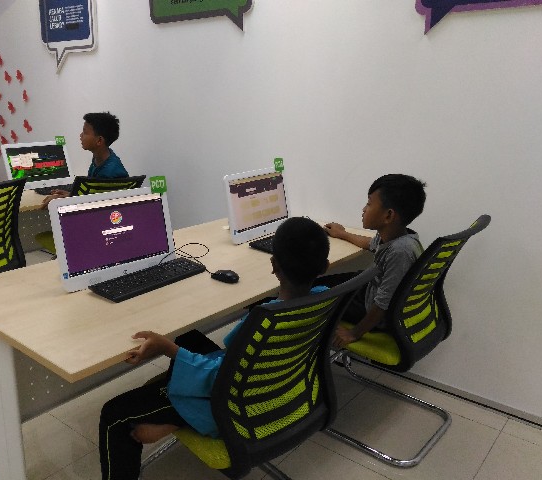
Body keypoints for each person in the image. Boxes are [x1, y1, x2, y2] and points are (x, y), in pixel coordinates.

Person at [98, 217, 331, 480]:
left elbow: (218, 379)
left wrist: (167, 349)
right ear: (324, 267)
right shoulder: (323, 298)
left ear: (273, 264)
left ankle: (181, 418)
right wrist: (169, 347)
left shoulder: (262, 322)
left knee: (113, 414)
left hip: (235, 408)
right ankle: (174, 417)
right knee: (188, 338)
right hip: (282, 388)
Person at [323, 173, 426, 348]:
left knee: (317, 299)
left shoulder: (400, 252)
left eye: (369, 203)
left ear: (388, 216)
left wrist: (353, 333)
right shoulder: (395, 234)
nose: (364, 209)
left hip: (371, 310)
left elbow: (383, 304)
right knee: (320, 284)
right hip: (370, 290)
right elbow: (370, 244)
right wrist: (342, 234)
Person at [41, 112, 128, 207]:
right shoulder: (102, 158)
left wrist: (64, 199)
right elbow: (92, 195)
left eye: (85, 132)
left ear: (99, 140)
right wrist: (71, 195)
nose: (81, 135)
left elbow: (94, 204)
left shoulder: (109, 173)